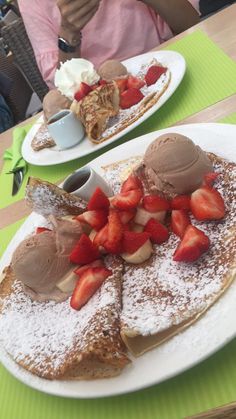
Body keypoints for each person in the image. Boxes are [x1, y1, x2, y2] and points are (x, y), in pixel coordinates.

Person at [18, 0, 200, 90]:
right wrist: (68, 31)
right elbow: (62, 86)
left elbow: (191, 23)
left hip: (173, 70)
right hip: (102, 97)